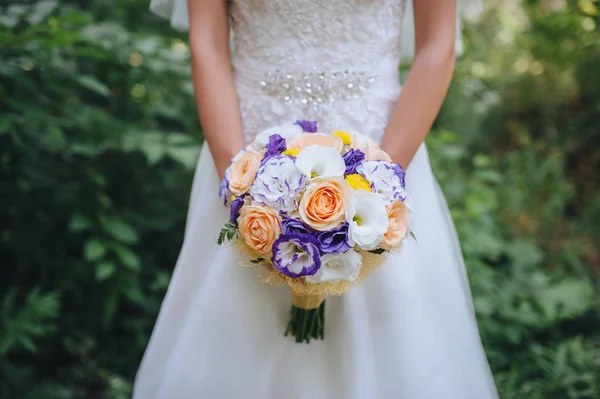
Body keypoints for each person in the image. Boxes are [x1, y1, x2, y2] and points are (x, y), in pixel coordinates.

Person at [133, 0, 499, 398]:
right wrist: (241, 193)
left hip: (385, 149)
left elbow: (437, 46)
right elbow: (206, 44)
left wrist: (381, 185)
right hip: (246, 152)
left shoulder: (384, 173)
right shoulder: (242, 179)